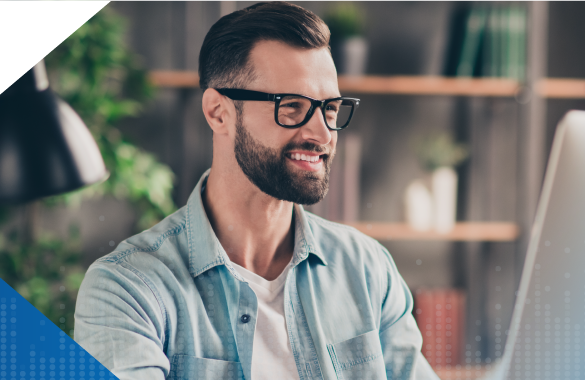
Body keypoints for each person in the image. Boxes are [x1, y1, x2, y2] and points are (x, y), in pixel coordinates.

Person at [74, 3, 438, 380]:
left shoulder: (366, 268)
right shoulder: (129, 287)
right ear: (218, 112)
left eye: (330, 109)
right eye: (292, 106)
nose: (322, 134)